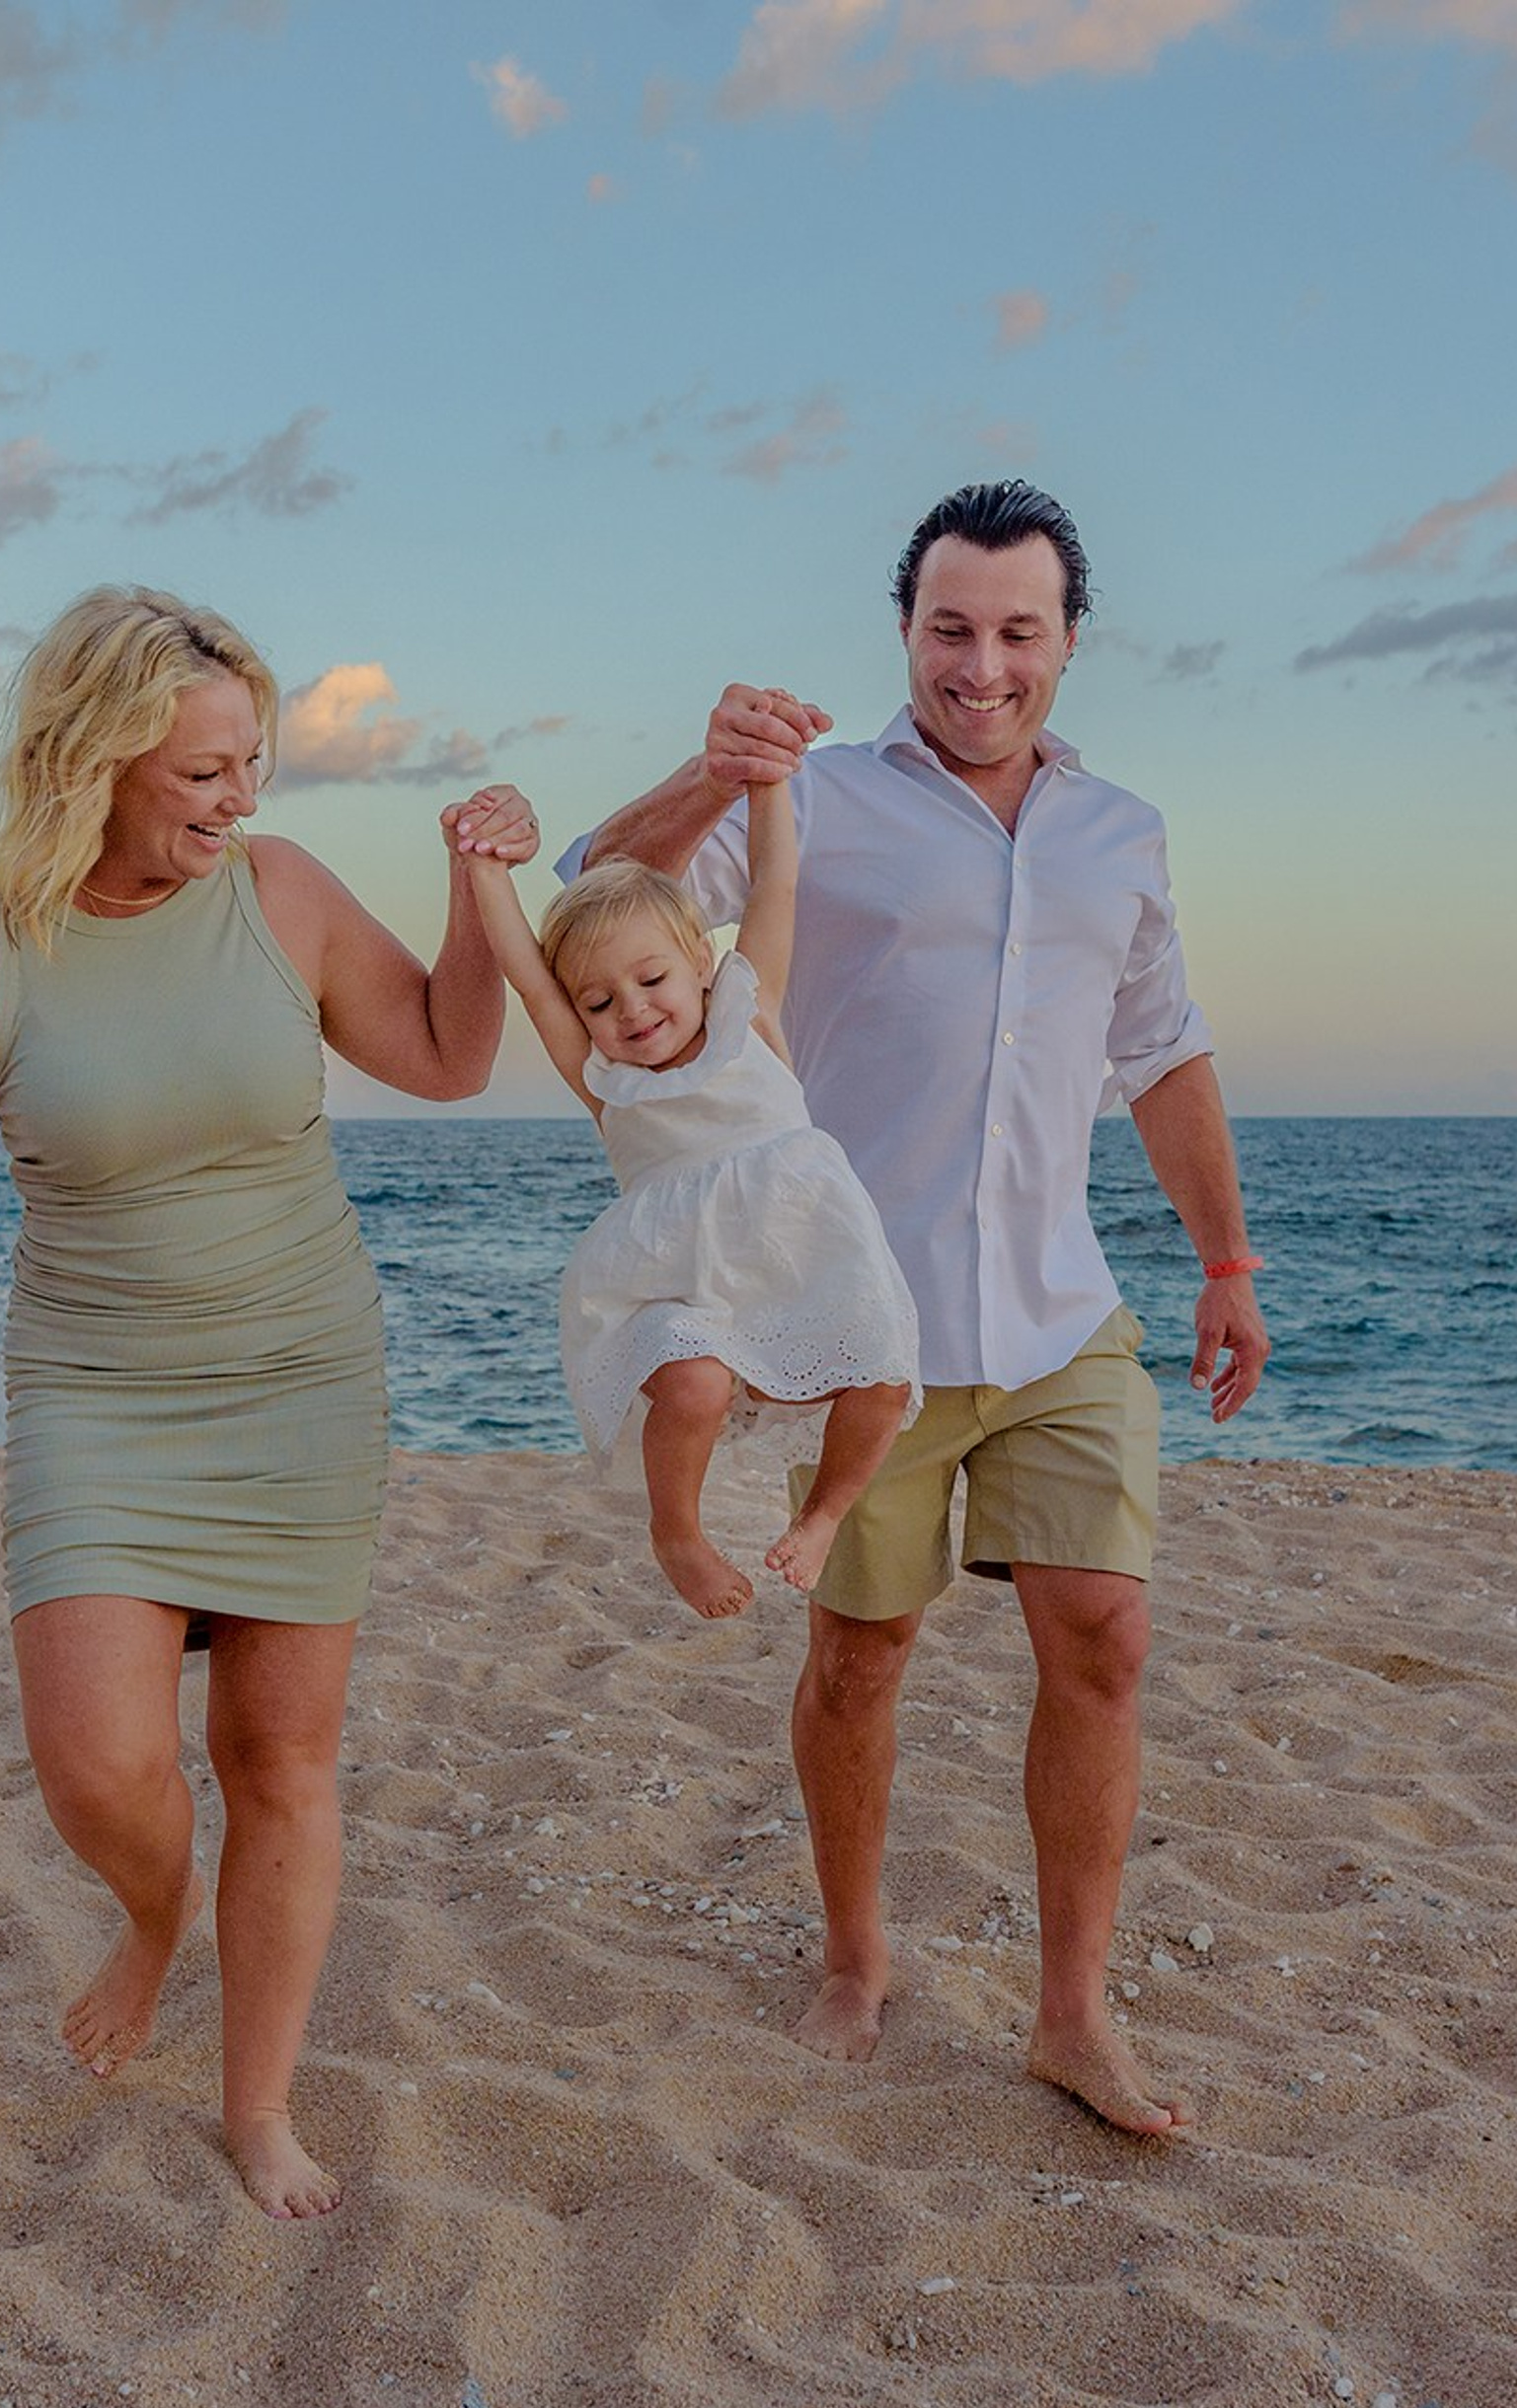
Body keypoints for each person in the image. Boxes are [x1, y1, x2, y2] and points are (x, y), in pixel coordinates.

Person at [0, 585, 534, 2220]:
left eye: (251, 764)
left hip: (302, 1376)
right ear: (94, 760)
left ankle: (257, 2105)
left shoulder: (283, 895)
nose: (238, 799)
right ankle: (151, 1910)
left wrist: (480, 895)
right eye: (203, 774)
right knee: (98, 1765)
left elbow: (451, 1052)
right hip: (101, 1397)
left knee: (281, 1755)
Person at [570, 481, 1270, 2138]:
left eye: (1018, 632)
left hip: (1057, 1315)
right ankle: (855, 1954)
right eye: (951, 629)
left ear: (1068, 645)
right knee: (862, 1653)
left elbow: (1162, 1054)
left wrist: (1229, 1262)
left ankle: (1074, 2014)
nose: (982, 665)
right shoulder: (810, 797)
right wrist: (711, 765)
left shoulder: (1123, 836)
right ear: (907, 632)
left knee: (1105, 1634)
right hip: (856, 1318)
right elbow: (604, 886)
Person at [467, 779, 918, 1618]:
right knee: (696, 1382)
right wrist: (486, 869)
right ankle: (678, 1532)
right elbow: (528, 979)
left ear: (701, 962)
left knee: (884, 1374)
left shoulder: (753, 1016)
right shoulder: (608, 1085)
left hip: (803, 1251)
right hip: (681, 1277)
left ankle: (823, 1516)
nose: (632, 1011)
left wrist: (770, 782)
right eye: (599, 1002)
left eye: (651, 980)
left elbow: (774, 883)